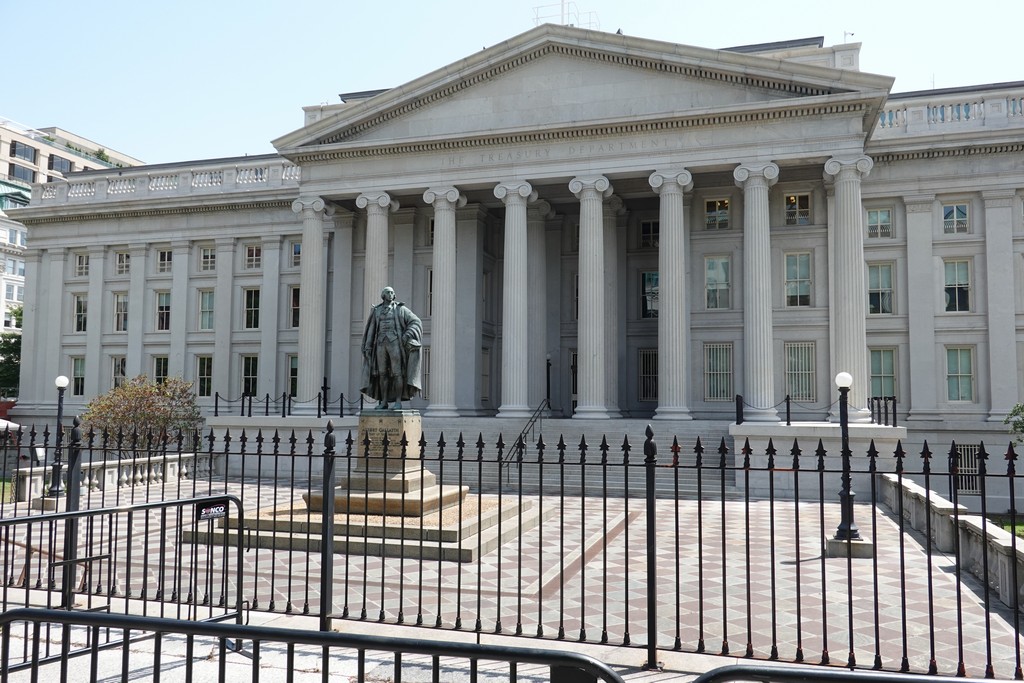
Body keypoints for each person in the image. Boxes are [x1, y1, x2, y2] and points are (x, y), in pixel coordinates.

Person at [360, 287, 422, 410]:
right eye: (388, 292)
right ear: (383, 295)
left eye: (392, 292)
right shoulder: (377, 311)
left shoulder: (400, 309)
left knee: (397, 373)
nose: (391, 294)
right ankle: (383, 401)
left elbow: (416, 321)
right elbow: (372, 329)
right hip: (380, 344)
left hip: (394, 343)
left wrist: (407, 335)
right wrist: (368, 346)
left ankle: (398, 401)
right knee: (382, 374)